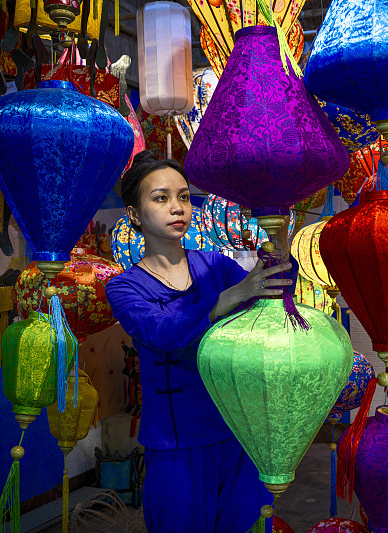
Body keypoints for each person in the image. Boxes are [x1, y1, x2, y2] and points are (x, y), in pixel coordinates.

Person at [106, 151, 297, 532]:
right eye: (161, 198)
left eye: (184, 196)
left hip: (239, 431)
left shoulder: (216, 266)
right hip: (176, 446)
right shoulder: (124, 287)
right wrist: (233, 294)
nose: (177, 207)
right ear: (133, 214)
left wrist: (279, 239)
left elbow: (271, 299)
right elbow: (161, 331)